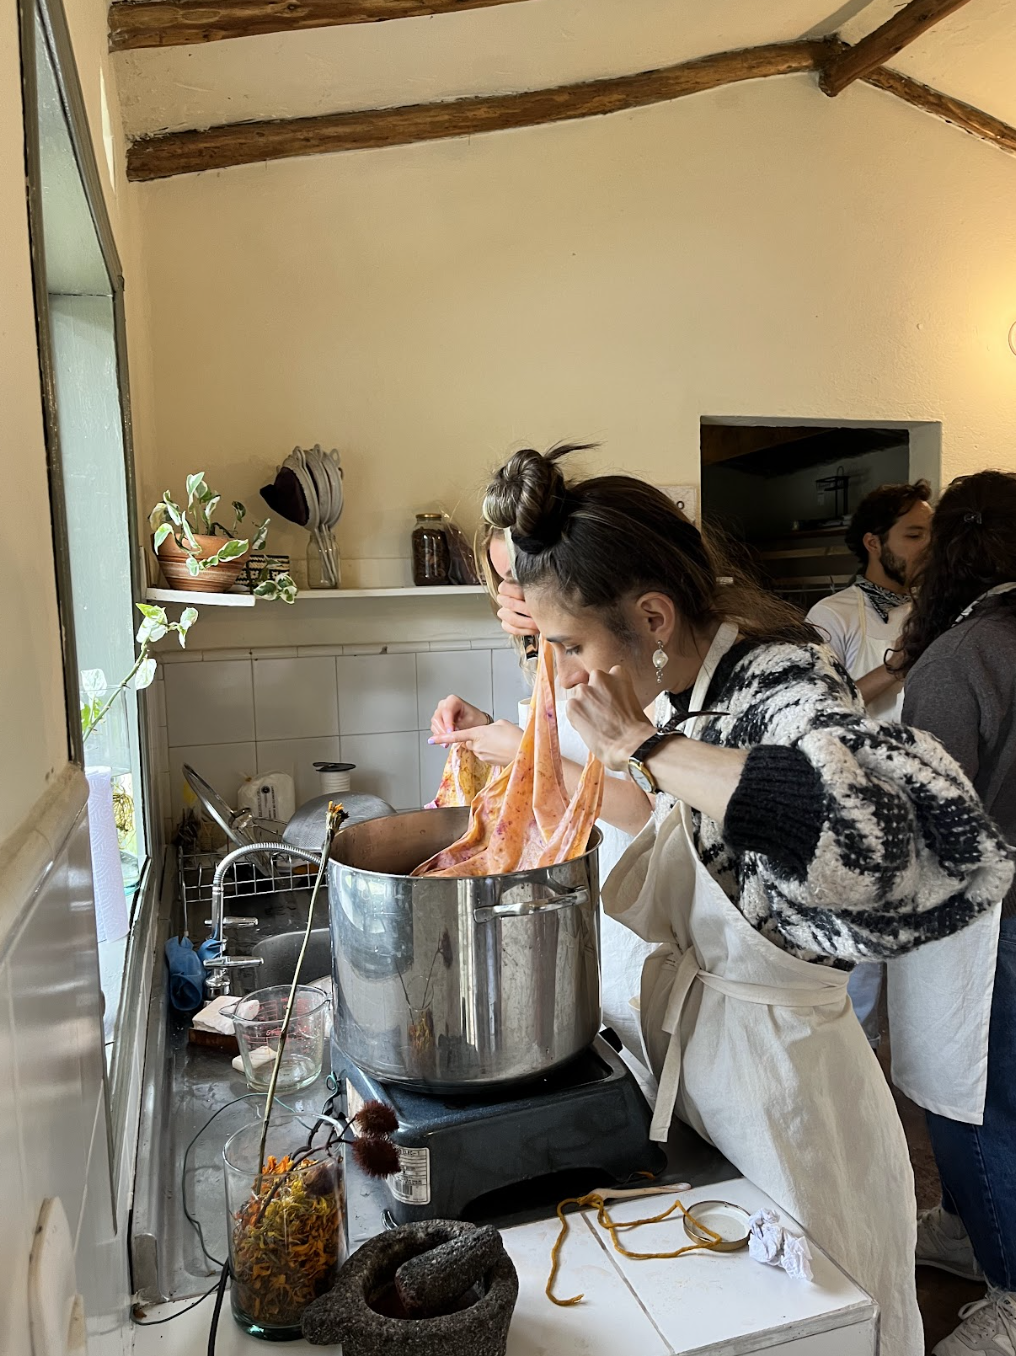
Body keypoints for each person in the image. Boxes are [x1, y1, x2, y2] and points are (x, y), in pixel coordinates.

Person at [439, 444, 1012, 1356]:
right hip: (711, 1078)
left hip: (791, 1098)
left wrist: (645, 746)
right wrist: (555, 745)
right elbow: (668, 822)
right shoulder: (677, 687)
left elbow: (899, 842)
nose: (567, 674)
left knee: (825, 1328)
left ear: (652, 616)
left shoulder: (784, 679)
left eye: (571, 647)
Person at [429, 516, 655, 1064]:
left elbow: (648, 811)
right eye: (503, 578)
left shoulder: (629, 656)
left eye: (523, 576)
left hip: (637, 895)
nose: (513, 594)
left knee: (640, 1054)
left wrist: (525, 756)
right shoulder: (552, 652)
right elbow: (565, 752)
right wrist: (490, 731)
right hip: (578, 892)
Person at [894, 471, 1016, 1356]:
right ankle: (970, 1232)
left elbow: (924, 824)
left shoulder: (962, 656)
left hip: (988, 928)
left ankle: (1010, 1292)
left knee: (974, 1103)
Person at [807, 480, 933, 1044]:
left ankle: (909, 1073)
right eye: (914, 534)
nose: (928, 546)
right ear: (874, 542)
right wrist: (898, 665)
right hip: (860, 805)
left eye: (931, 534)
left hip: (927, 799)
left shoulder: (937, 612)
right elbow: (817, 711)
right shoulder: (831, 615)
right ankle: (855, 1069)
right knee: (861, 960)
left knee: (920, 951)